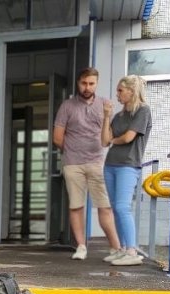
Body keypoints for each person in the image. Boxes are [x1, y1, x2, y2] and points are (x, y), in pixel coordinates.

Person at [53, 67, 122, 260]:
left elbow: (107, 138)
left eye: (91, 83)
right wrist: (74, 149)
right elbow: (57, 138)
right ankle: (81, 247)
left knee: (105, 206)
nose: (87, 87)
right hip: (73, 164)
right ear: (78, 82)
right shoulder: (67, 106)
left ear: (96, 84)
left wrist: (108, 115)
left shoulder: (104, 105)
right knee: (76, 206)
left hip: (98, 163)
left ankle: (116, 248)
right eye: (84, 83)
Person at [102, 75, 153, 266]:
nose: (117, 94)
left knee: (123, 207)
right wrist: (106, 116)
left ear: (131, 91)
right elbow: (104, 140)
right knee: (116, 208)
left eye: (120, 90)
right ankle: (122, 249)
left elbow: (128, 138)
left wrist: (113, 140)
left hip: (128, 165)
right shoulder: (118, 116)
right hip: (111, 164)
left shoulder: (143, 111)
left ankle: (131, 251)